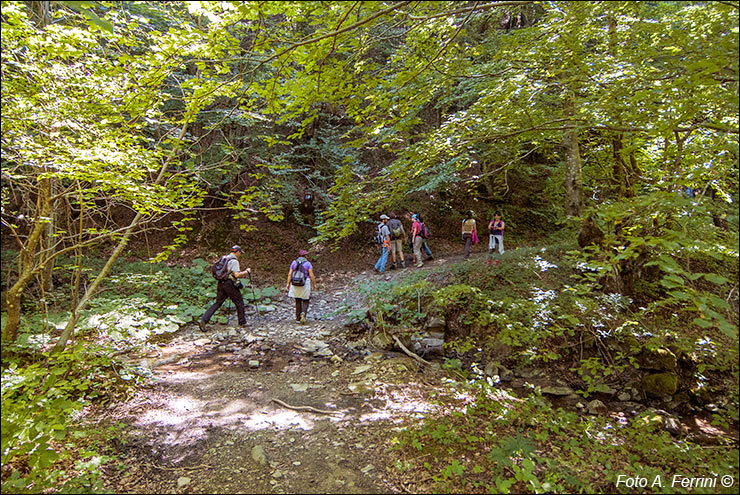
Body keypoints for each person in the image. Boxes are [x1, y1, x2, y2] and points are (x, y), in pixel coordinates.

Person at [199, 245, 252, 330]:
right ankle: (242, 322)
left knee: (218, 303)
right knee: (239, 302)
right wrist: (246, 272)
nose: (240, 255)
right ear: (237, 252)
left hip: (221, 283)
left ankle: (204, 320)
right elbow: (237, 275)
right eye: (240, 253)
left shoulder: (224, 258)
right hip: (229, 283)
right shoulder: (234, 261)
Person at [286, 249, 317, 324]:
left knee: (297, 299)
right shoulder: (308, 264)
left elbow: (290, 274)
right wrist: (314, 284)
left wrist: (287, 283)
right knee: (306, 299)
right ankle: (303, 313)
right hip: (304, 282)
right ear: (305, 256)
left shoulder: (294, 262)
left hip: (295, 282)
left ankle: (297, 318)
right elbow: (311, 275)